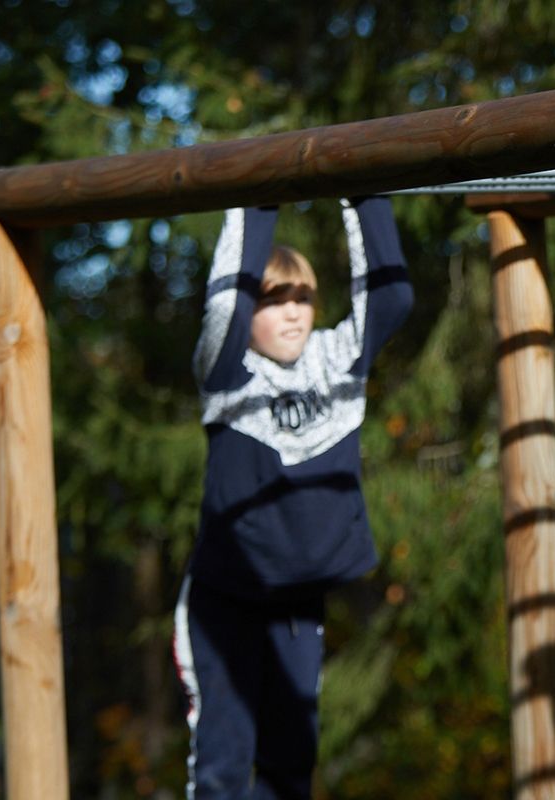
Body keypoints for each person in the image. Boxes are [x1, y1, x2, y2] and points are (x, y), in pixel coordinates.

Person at [172, 198, 414, 799]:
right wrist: (257, 195)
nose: (291, 314)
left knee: (290, 765)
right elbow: (226, 305)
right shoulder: (226, 373)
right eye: (274, 299)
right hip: (224, 600)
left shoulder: (339, 362)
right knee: (224, 765)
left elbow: (391, 299)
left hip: (296, 603)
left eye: (302, 297)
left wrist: (364, 195)